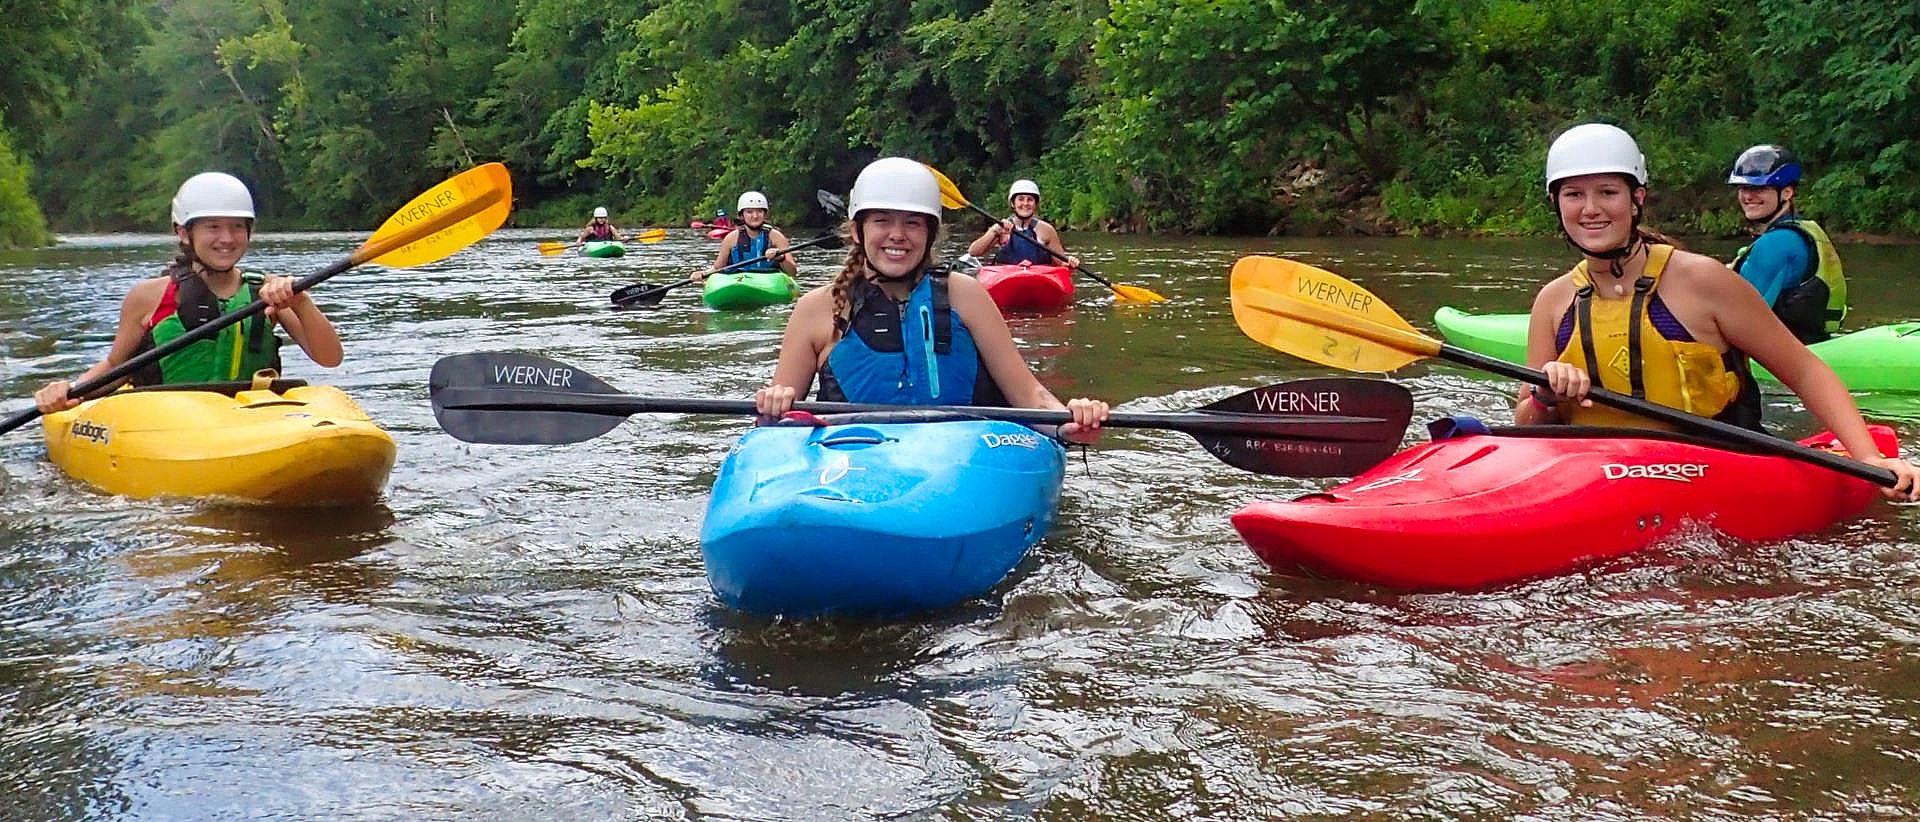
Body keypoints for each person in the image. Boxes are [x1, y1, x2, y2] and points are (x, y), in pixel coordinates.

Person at [1512, 123, 1915, 498]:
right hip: (1593, 479)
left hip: (1712, 472)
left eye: (1607, 192)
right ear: (1556, 203)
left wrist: (1868, 459)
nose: (1591, 209)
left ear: (1637, 199)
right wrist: (1544, 395)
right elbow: (1526, 424)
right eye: (1574, 195)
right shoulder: (1553, 301)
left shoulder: (1702, 281)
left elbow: (1805, 370)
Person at [753, 157, 1108, 442]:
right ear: (858, 231)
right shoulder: (816, 310)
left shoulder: (966, 295)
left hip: (965, 464)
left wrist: (1068, 422)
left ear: (930, 232)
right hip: (854, 467)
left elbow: (1029, 396)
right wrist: (773, 406)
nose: (897, 235)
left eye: (912, 223)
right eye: (881, 221)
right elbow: (781, 424)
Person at [34, 172, 343, 413]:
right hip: (173, 423)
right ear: (183, 232)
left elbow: (330, 358)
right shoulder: (148, 297)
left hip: (249, 416)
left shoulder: (269, 291)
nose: (227, 238)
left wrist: (301, 303)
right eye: (213, 227)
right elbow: (115, 367)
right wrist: (69, 390)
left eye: (237, 227)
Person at [1726, 145, 1846, 344]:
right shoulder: (1801, 230)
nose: (1748, 196)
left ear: (1787, 192)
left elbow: (1741, 318)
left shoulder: (1776, 243)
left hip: (1779, 354)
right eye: (1744, 188)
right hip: (1811, 342)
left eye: (1759, 188)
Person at [964, 178, 1079, 269]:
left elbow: (1061, 263)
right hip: (1007, 277)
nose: (1025, 203)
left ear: (1035, 204)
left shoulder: (1046, 230)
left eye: (1030, 199)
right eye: (1021, 199)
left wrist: (1070, 262)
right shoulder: (1000, 228)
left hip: (1039, 278)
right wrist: (994, 232)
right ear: (1013, 203)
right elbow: (973, 252)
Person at [700, 191, 796, 282]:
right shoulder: (731, 238)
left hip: (770, 280)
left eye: (759, 211)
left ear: (765, 214)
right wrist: (703, 274)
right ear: (742, 215)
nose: (755, 216)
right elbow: (718, 268)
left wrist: (781, 258)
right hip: (739, 281)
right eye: (749, 212)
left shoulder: (776, 236)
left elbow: (792, 273)